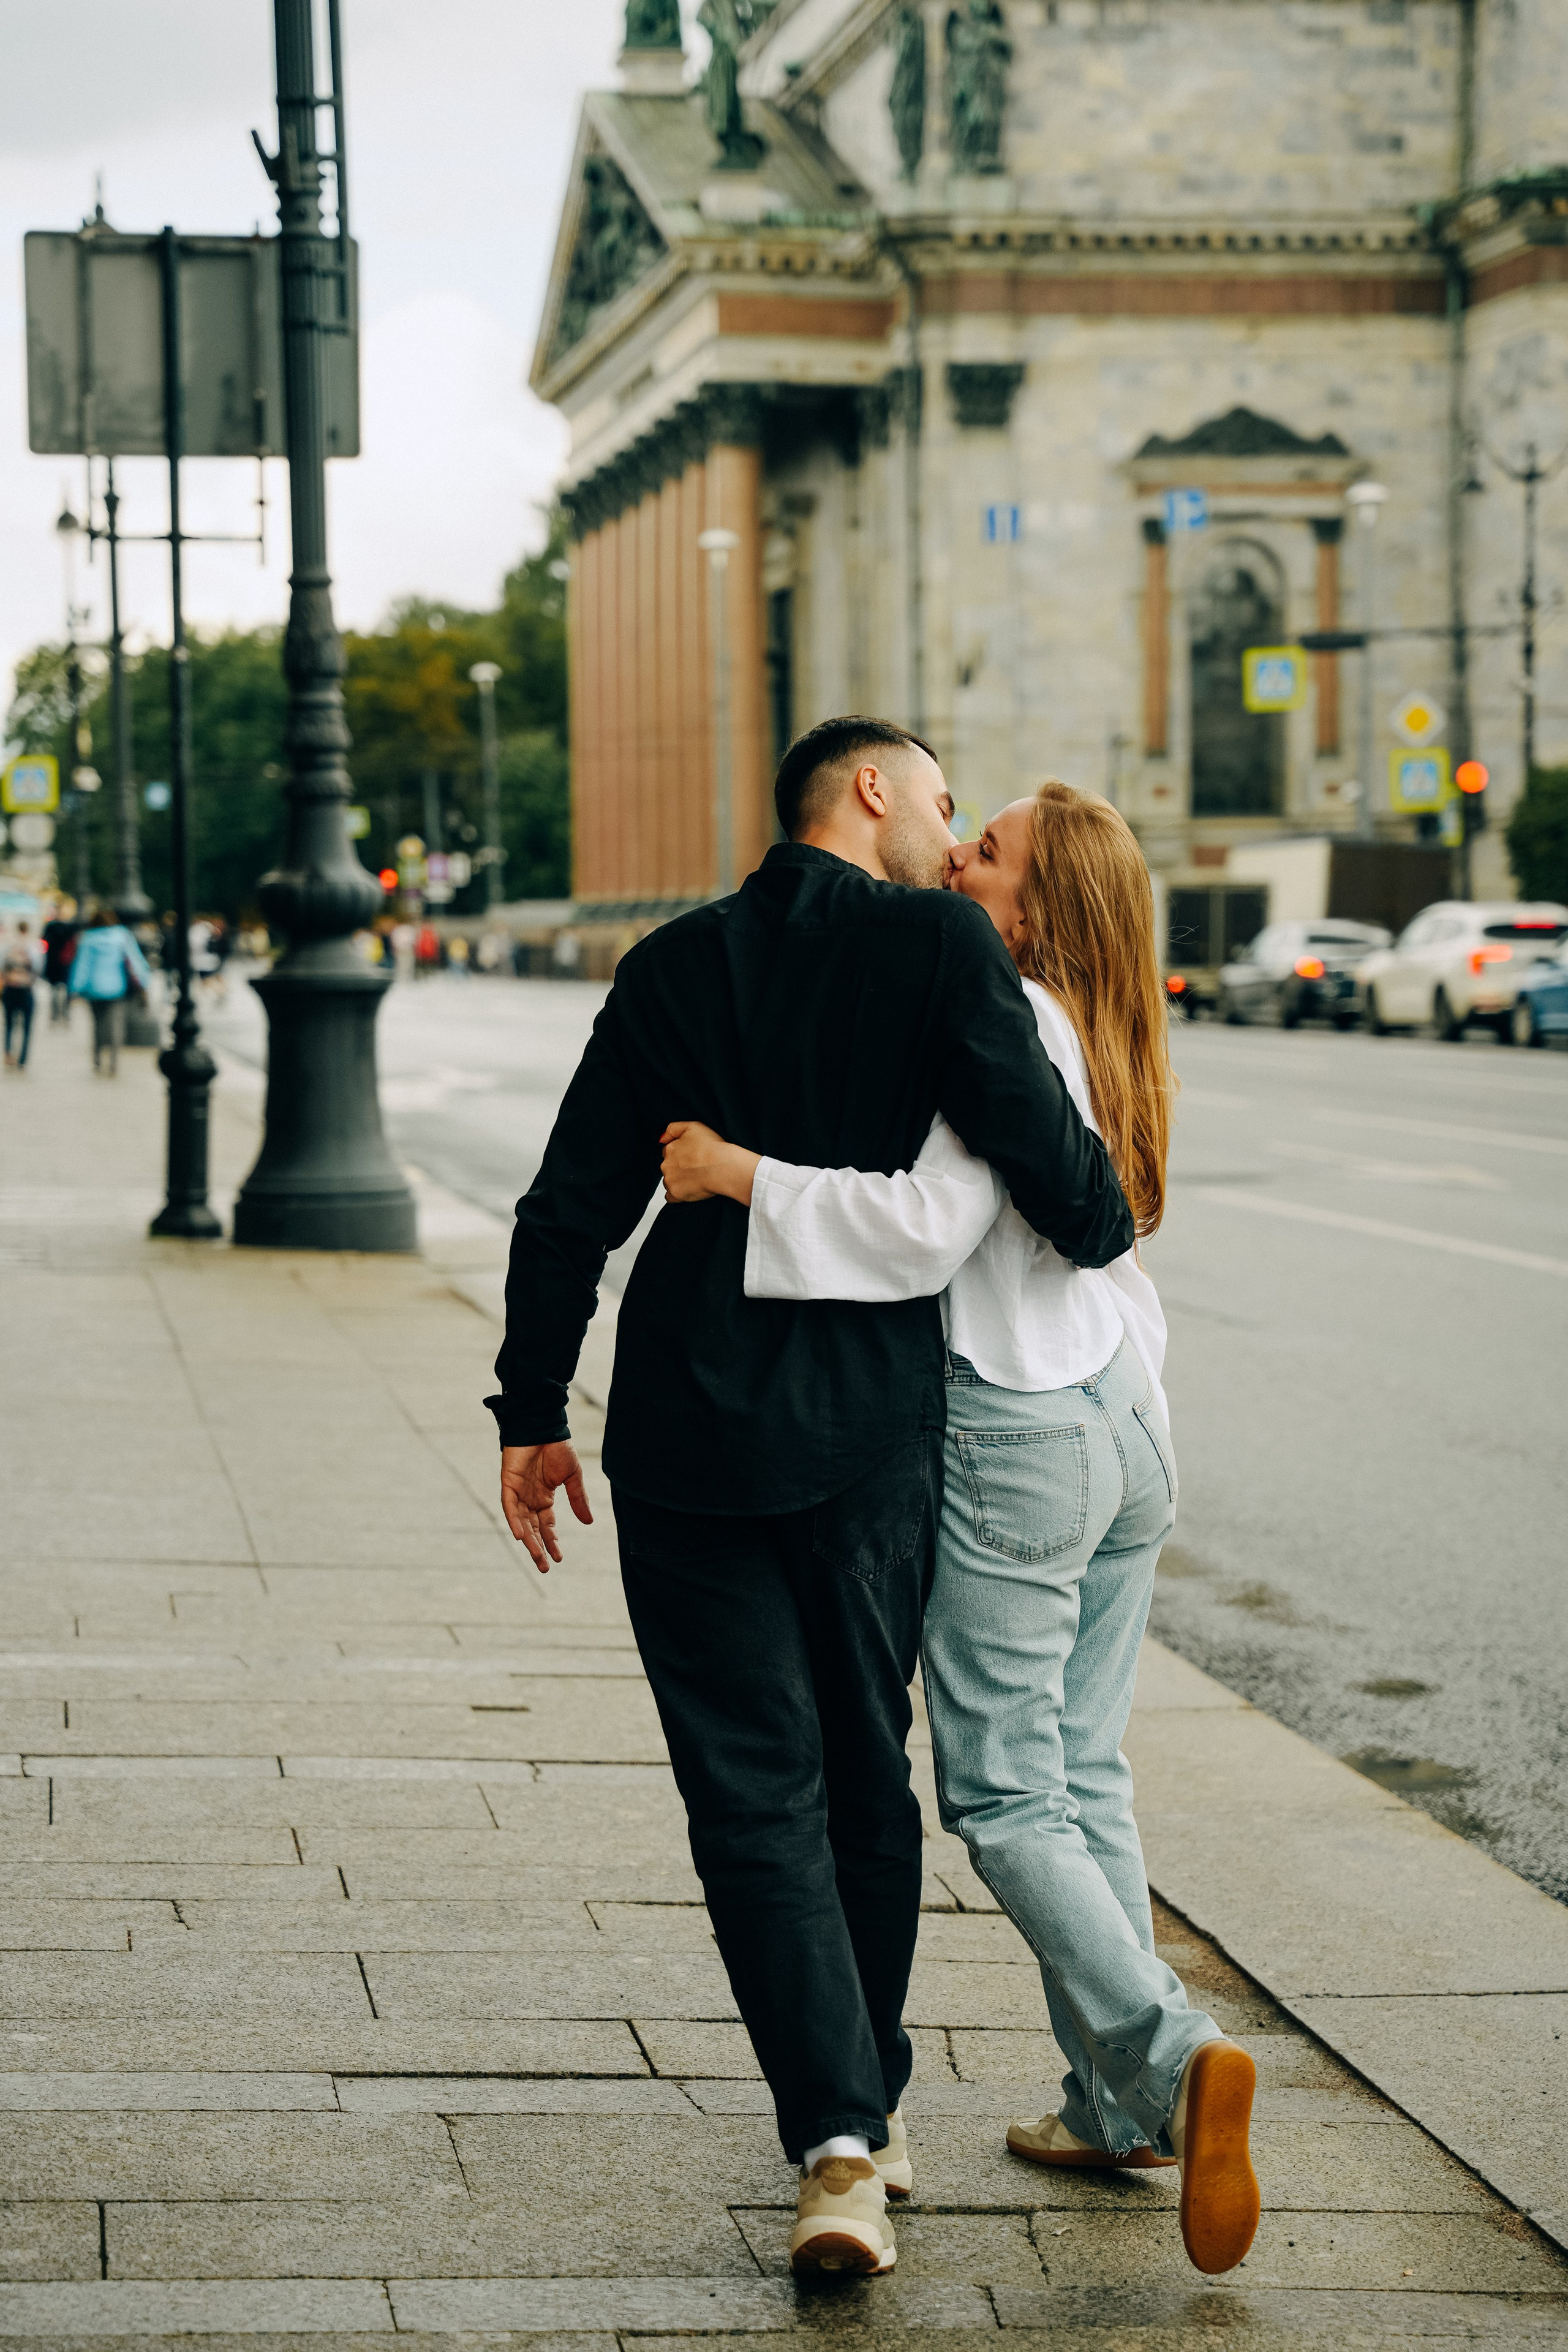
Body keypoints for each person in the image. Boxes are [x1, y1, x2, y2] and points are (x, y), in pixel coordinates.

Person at [487, 717, 1133, 2280]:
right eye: (933, 795)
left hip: (684, 1425)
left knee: (743, 1793)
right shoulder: (932, 947)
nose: (944, 820)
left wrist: (527, 1412)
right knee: (860, 1764)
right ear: (866, 790)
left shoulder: (670, 964)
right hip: (862, 1432)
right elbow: (1079, 1202)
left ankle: (835, 2140)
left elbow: (570, 1201)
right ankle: (873, 2112)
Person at [658, 783, 1259, 2278]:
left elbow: (925, 1226)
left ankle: (1172, 2055)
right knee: (1081, 1769)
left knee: (1001, 1797)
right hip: (1124, 1418)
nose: (950, 856)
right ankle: (1107, 2101)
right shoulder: (1096, 1017)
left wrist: (740, 1176)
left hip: (1018, 1425)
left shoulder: (997, 1007)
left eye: (983, 850)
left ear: (1032, 909)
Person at [68, 902, 153, 1077]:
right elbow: (135, 961)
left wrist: (74, 989)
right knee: (116, 1026)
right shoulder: (122, 936)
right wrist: (144, 982)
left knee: (97, 1025)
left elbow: (82, 966)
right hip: (116, 988)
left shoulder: (87, 938)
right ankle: (114, 1062)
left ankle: (98, 1059)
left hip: (93, 990)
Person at [2, 922, 39, 1069]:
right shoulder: (33, 947)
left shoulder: (8, 946)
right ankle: (23, 1059)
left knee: (9, 1025)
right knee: (27, 1027)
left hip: (10, 990)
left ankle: (8, 1054)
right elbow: (38, 968)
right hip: (26, 991)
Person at [41, 903, 78, 1024]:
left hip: (56, 963)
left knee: (57, 989)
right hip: (66, 963)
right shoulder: (71, 928)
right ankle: (63, 1014)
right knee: (64, 990)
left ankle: (57, 1014)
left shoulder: (51, 927)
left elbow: (44, 942)